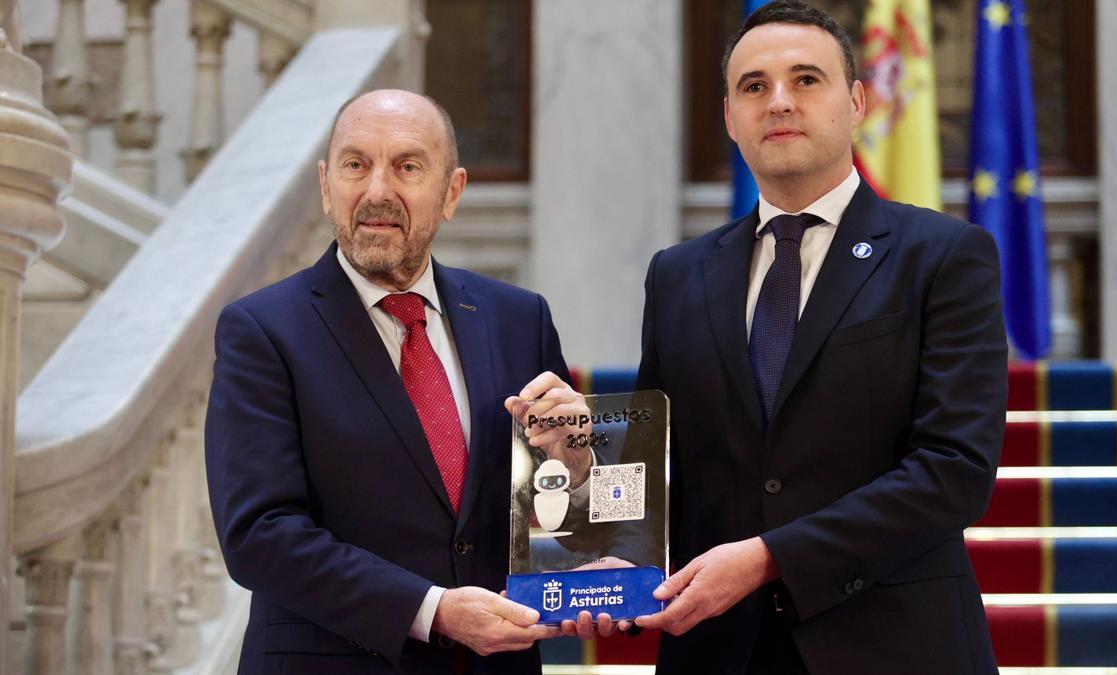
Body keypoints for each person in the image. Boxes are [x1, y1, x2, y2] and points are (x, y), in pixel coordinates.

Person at [631, 2, 1008, 673]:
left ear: (857, 101)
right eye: (754, 86)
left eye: (806, 79)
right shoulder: (677, 275)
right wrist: (580, 460)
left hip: (894, 645)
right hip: (719, 649)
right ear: (730, 117)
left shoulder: (944, 256)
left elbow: (954, 470)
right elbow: (658, 470)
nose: (779, 101)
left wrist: (769, 557)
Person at [204, 89, 568, 674]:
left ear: (451, 192)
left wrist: (576, 462)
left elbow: (549, 516)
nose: (377, 191)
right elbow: (259, 534)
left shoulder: (519, 318)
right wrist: (434, 611)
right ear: (326, 186)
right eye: (355, 165)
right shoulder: (262, 331)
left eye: (407, 167)